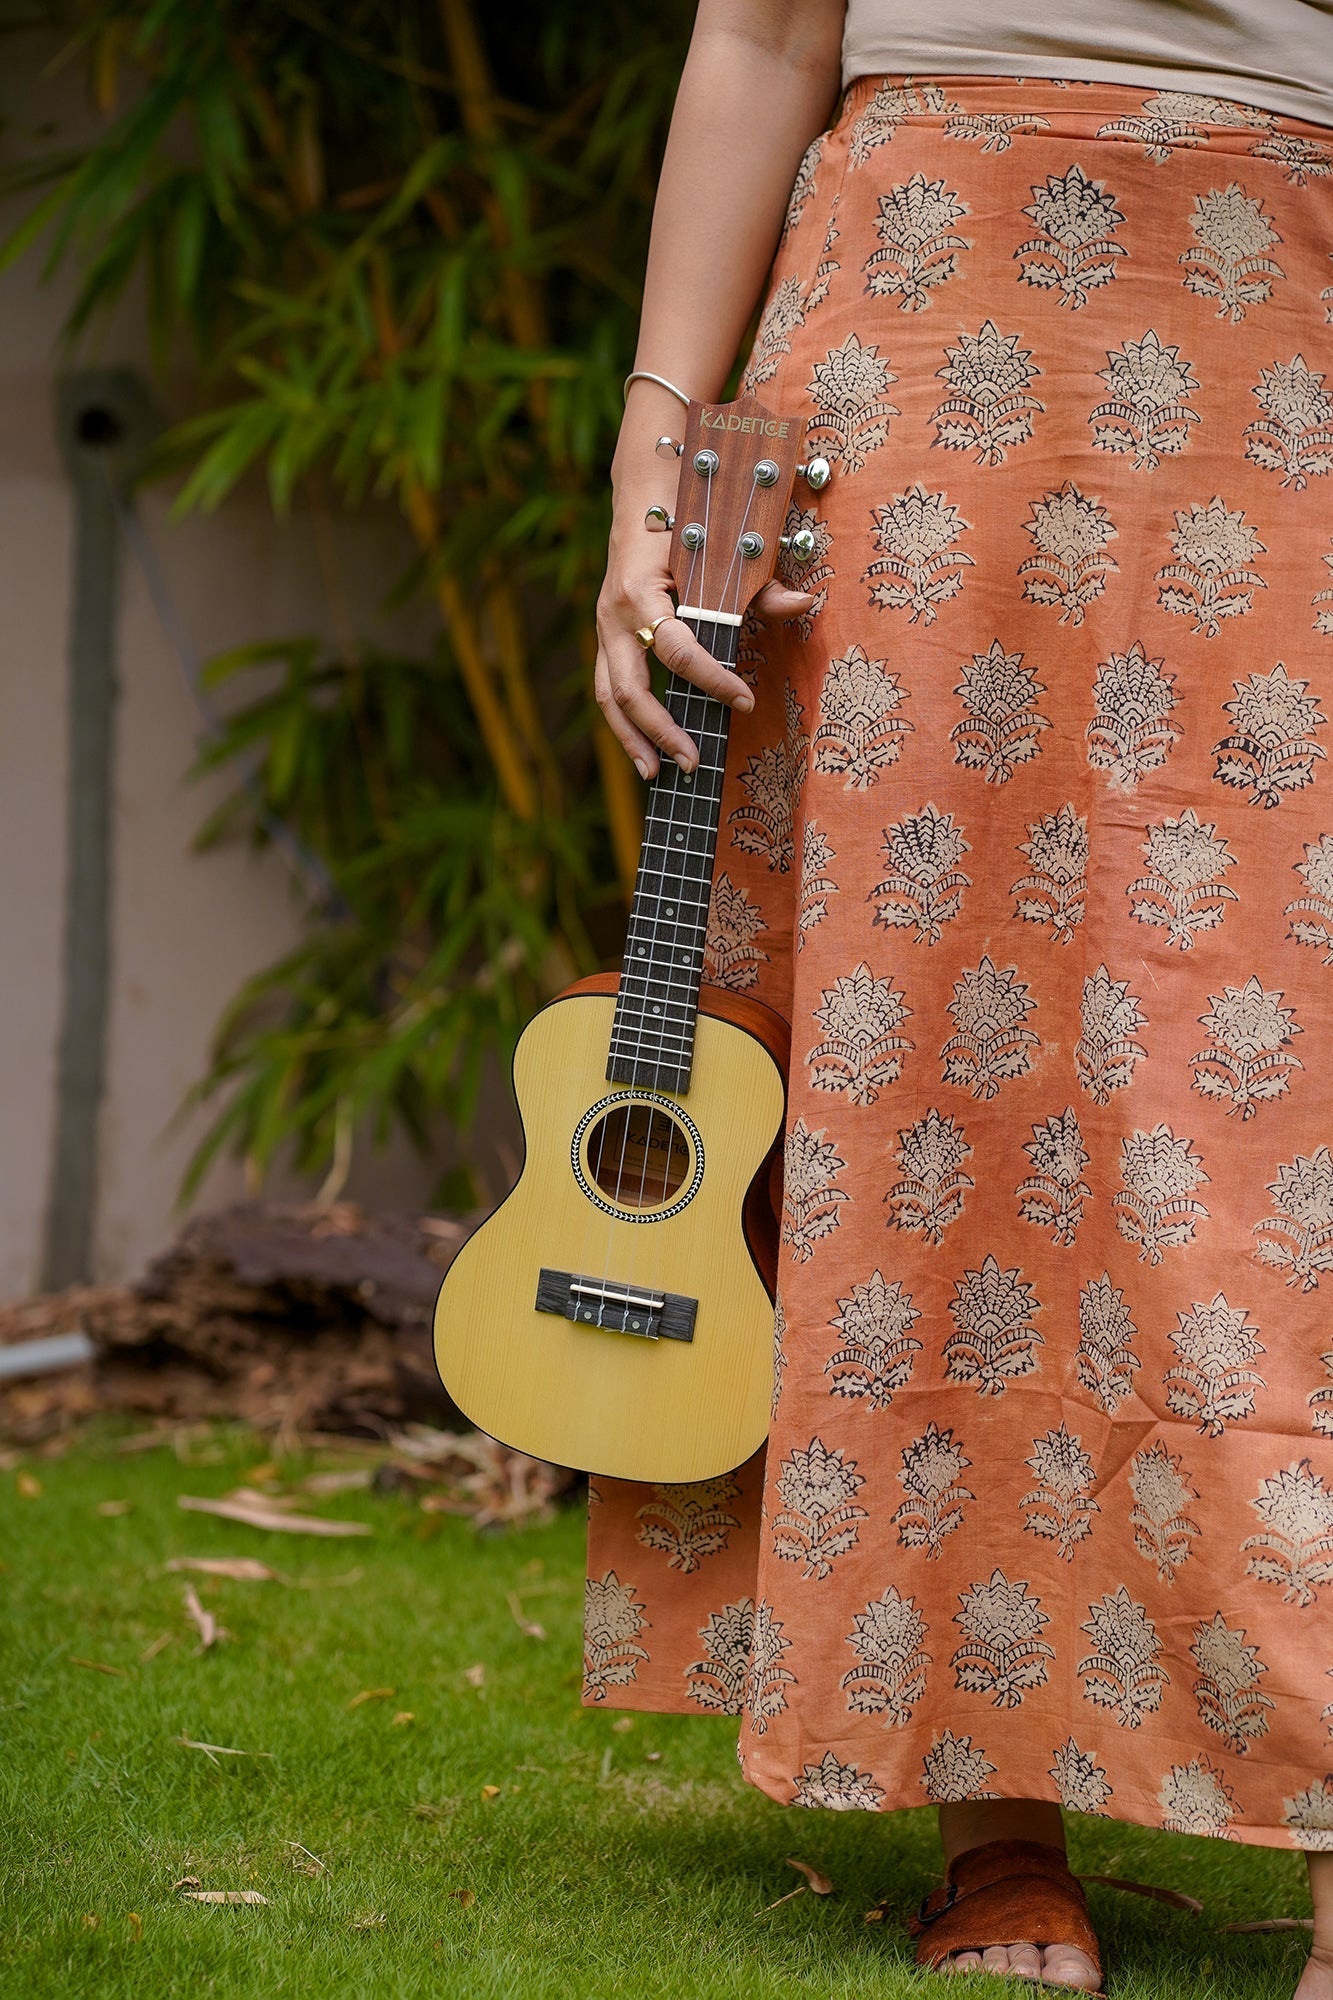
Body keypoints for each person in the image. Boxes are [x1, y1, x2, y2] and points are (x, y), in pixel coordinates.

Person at [590, 3, 1333, 1988]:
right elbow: (757, 35)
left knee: (1289, 1104)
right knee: (937, 1078)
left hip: (1288, 330)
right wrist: (653, 456)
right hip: (919, 332)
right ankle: (991, 1817)